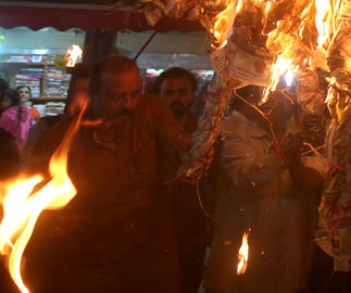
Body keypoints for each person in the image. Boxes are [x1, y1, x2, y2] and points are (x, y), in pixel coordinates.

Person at [22, 55, 190, 293]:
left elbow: (178, 141)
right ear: (93, 92)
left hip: (149, 262)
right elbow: (42, 214)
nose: (129, 105)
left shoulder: (150, 110)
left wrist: (190, 152)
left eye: (134, 94)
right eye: (117, 97)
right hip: (90, 268)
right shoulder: (58, 142)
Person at [203, 83, 319, 293]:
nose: (273, 100)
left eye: (282, 94)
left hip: (289, 243)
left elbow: (313, 182)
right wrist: (281, 157)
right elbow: (246, 181)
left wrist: (295, 161)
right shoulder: (234, 128)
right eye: (269, 94)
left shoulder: (299, 128)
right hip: (246, 237)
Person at [156, 67, 210, 293]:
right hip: (155, 227)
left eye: (182, 92)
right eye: (169, 93)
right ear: (159, 96)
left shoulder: (204, 132)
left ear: (192, 95)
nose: (176, 99)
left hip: (192, 228)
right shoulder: (148, 131)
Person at [23, 65, 90, 173]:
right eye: (82, 90)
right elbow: (27, 169)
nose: (87, 97)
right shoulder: (44, 128)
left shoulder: (108, 133)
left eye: (92, 91)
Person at [0, 87, 35, 151]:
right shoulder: (26, 114)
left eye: (6, 100)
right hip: (24, 149)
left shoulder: (7, 115)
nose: (2, 103)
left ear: (14, 101)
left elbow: (1, 135)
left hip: (9, 150)